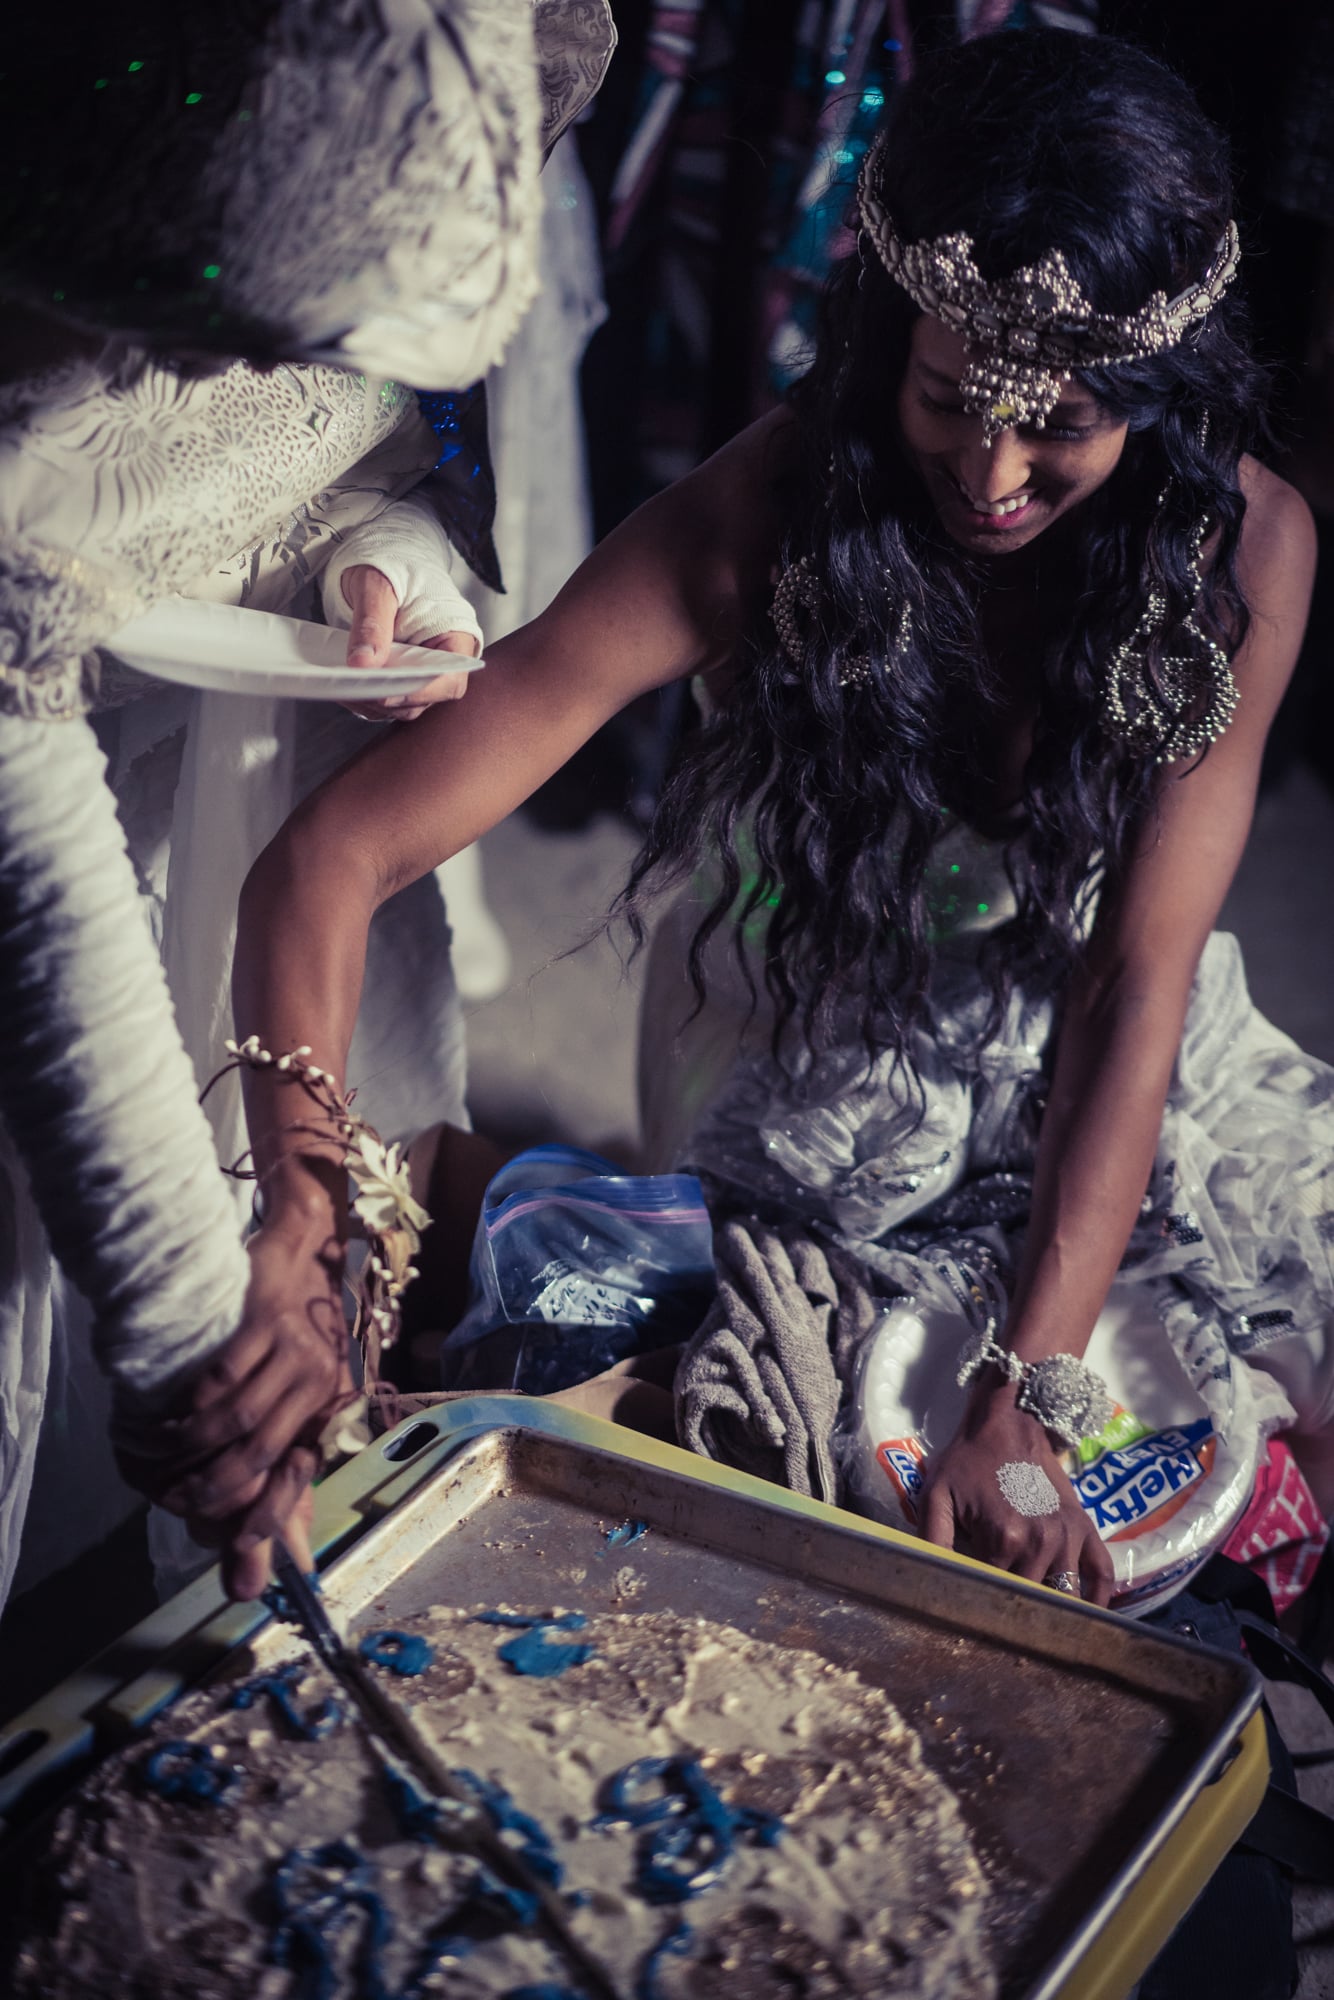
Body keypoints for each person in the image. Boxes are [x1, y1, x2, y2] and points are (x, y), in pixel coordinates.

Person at [207, 29, 1323, 1607]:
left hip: (1108, 1052)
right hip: (825, 1052)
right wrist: (305, 1237)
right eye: (949, 398)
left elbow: (1130, 985)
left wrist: (1030, 1397)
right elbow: (331, 857)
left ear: (1160, 392)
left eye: (1056, 425)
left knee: (1277, 1412)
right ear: (891, 342)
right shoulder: (764, 514)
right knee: (787, 1464)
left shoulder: (1243, 553)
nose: (991, 473)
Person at [0, 0, 616, 1610]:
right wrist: (190, 1323)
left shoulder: (452, 103)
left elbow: (353, 465)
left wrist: (385, 571)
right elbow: (27, 813)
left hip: (240, 776)